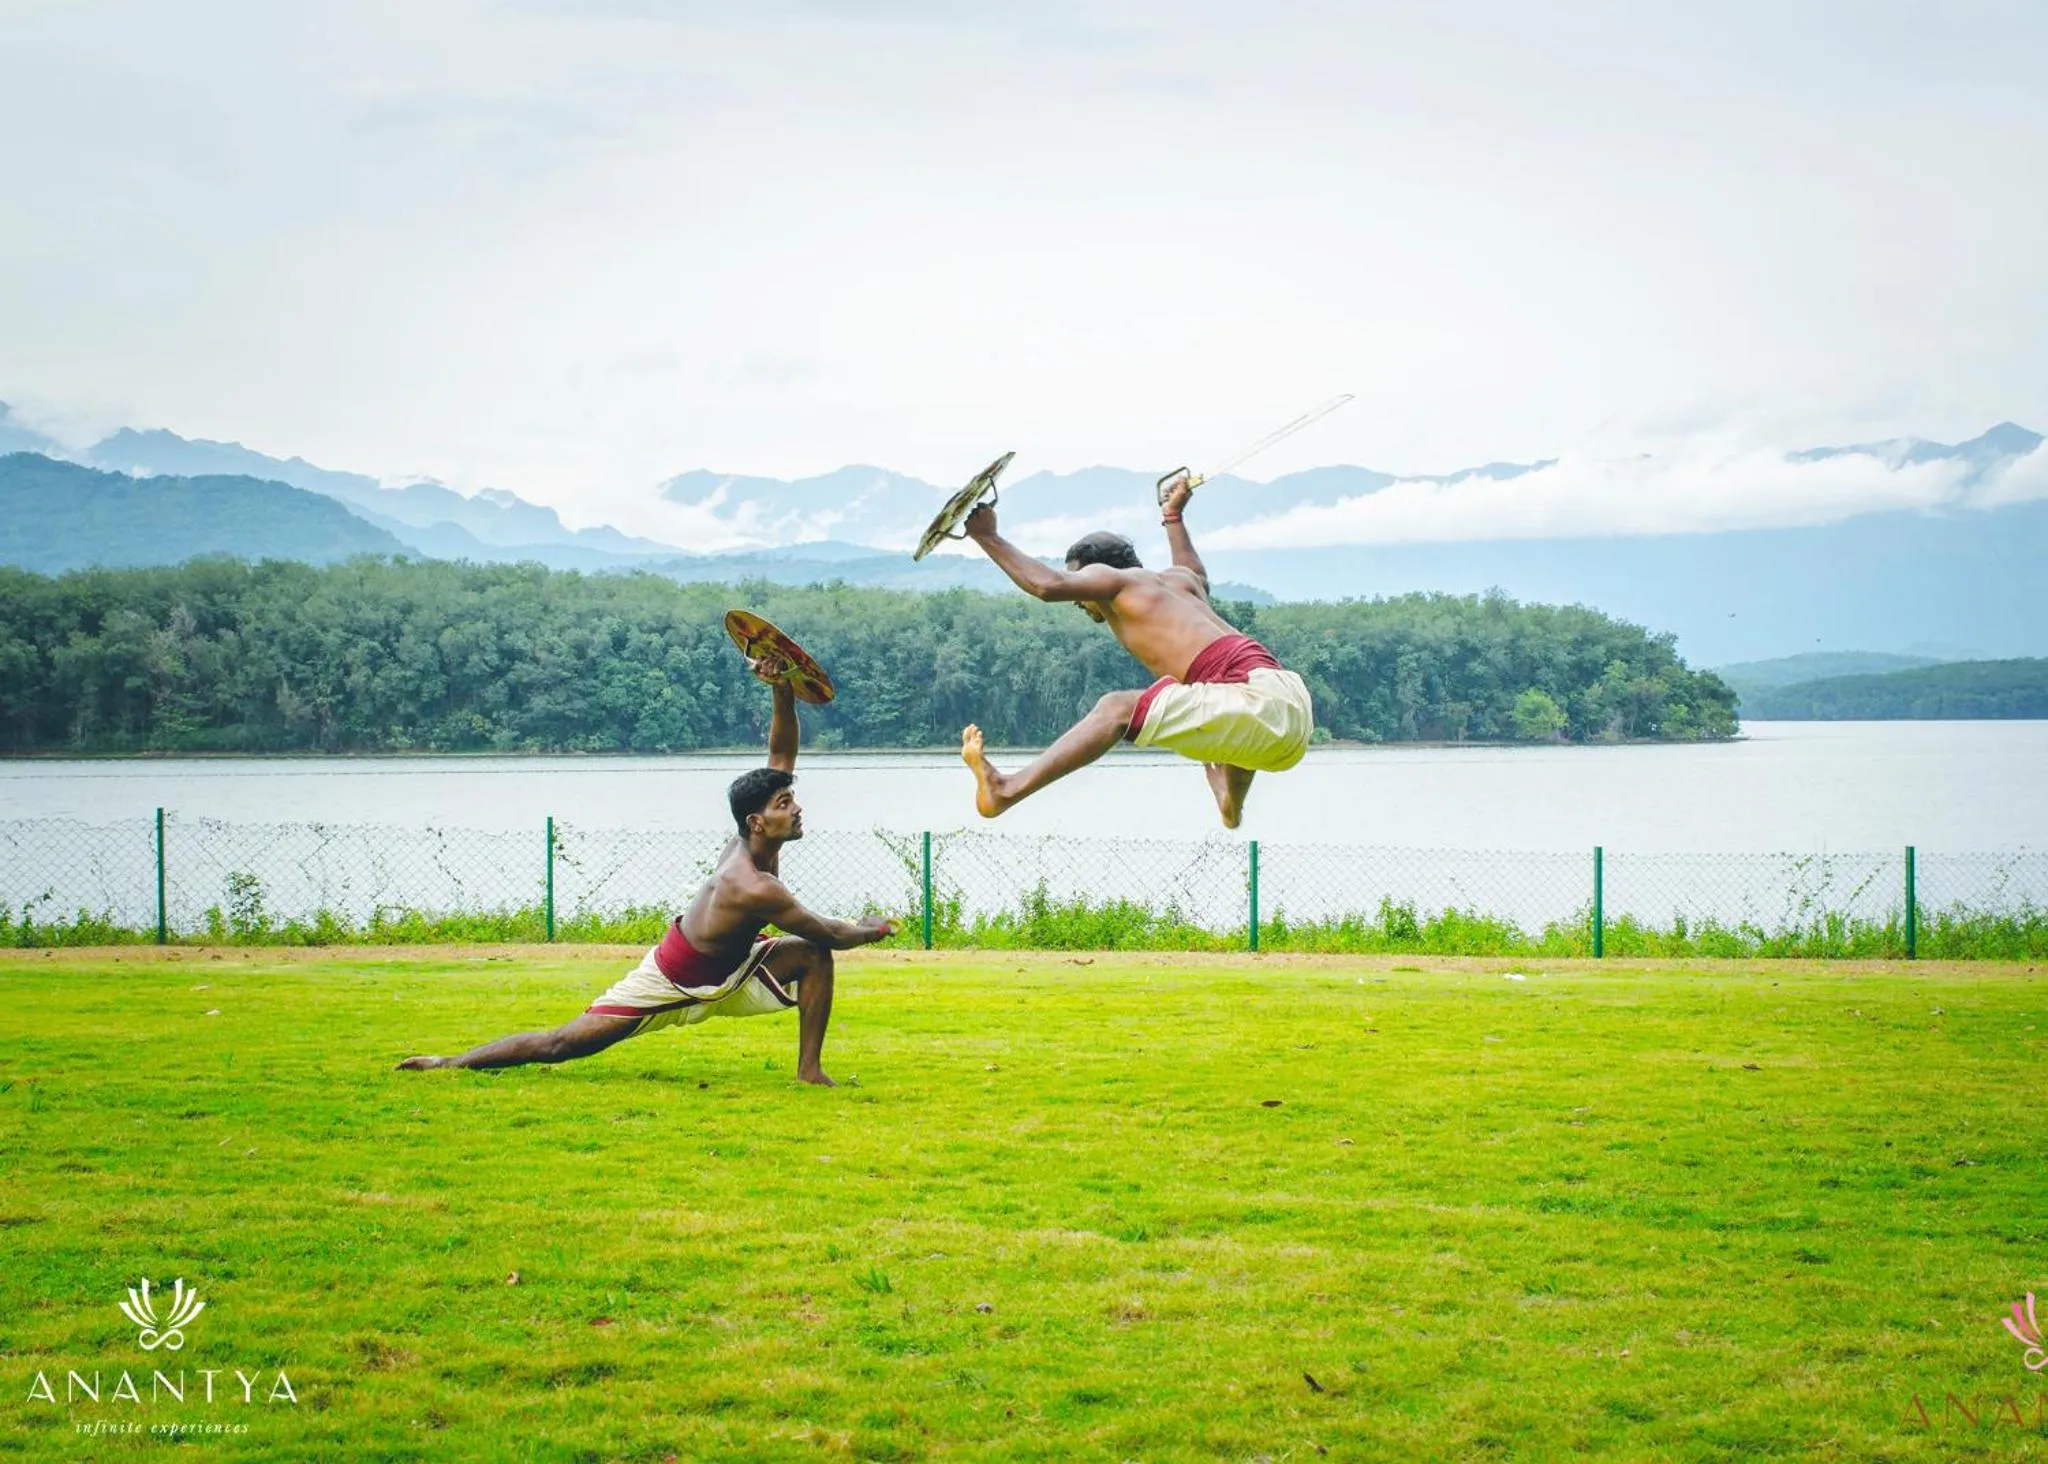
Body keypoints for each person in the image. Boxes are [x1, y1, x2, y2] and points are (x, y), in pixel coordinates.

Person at [399, 657, 893, 1084]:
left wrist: (782, 690)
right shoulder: (751, 885)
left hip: (735, 967)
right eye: (786, 803)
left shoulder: (756, 844)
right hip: (673, 977)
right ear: (757, 821)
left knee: (810, 957)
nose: (799, 808)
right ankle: (448, 1064)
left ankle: (809, 1070)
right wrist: (871, 930)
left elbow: (780, 755)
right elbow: (829, 930)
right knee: (563, 1044)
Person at [959, 475, 1314, 828]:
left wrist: (987, 536)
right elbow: (1193, 567)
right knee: (1213, 700)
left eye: (1081, 584)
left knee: (1117, 709)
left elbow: (1047, 585)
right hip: (1287, 700)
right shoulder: (1181, 581)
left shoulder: (1117, 580)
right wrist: (1173, 515)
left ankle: (1005, 789)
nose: (1079, 600)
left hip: (1259, 700)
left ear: (1098, 573)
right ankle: (1230, 803)